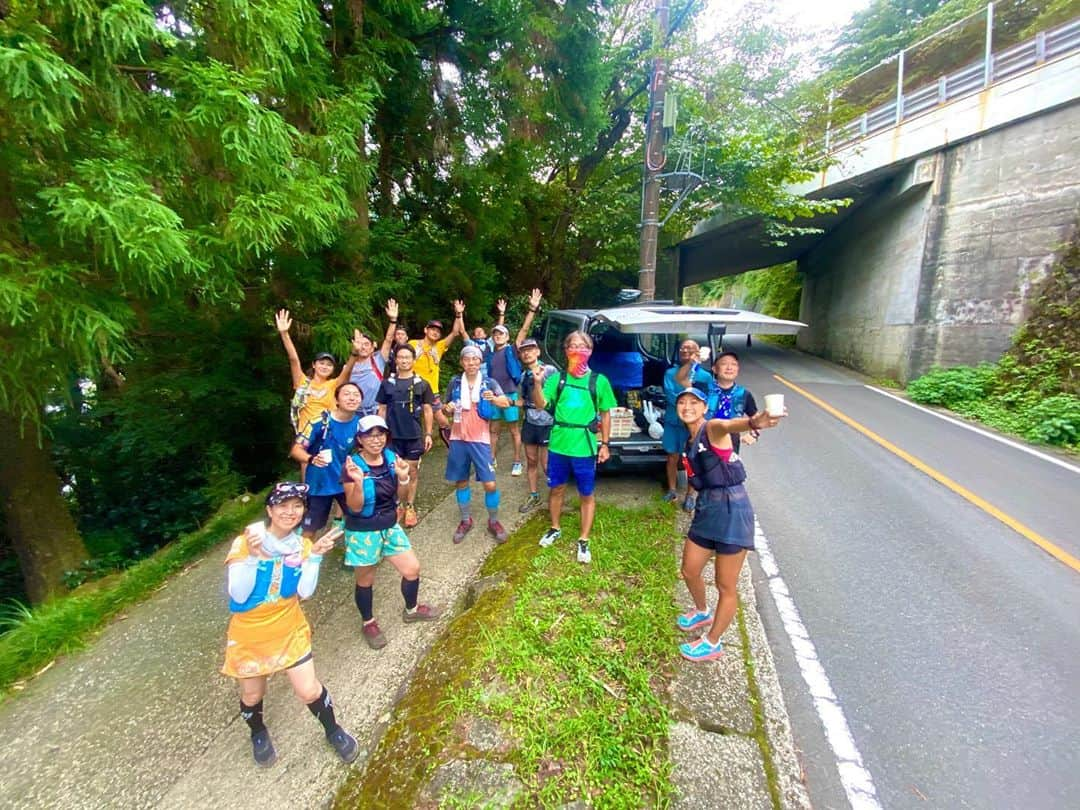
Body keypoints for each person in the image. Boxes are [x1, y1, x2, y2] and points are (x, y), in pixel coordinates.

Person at [222, 482, 358, 767]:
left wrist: (316, 556)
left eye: (297, 506)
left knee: (309, 690)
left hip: (289, 625)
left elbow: (304, 592)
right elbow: (238, 594)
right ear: (270, 510)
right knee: (252, 693)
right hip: (250, 633)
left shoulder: (301, 545)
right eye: (283, 505)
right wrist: (254, 558)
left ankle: (333, 730)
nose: (290, 512)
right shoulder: (247, 542)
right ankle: (258, 731)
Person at [674, 387, 783, 662]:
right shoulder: (688, 441)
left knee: (726, 585)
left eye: (694, 402)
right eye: (682, 402)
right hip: (707, 508)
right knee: (689, 570)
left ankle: (713, 642)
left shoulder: (712, 428)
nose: (687, 406)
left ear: (704, 407)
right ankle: (701, 611)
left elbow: (728, 425)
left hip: (733, 508)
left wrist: (754, 422)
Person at [342, 415, 442, 650]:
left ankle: (412, 609)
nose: (376, 440)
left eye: (380, 434)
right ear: (360, 439)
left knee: (412, 569)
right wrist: (357, 483)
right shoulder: (352, 466)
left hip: (388, 525)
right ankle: (368, 622)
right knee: (365, 579)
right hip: (363, 531)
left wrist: (404, 476)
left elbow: (402, 495)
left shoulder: (391, 458)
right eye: (370, 435)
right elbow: (354, 507)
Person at [530, 331, 616, 564]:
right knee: (556, 488)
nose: (578, 350)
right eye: (573, 345)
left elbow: (606, 414)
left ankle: (584, 539)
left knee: (586, 493)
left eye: (583, 346)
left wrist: (605, 444)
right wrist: (537, 383)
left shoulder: (599, 381)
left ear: (590, 351)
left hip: (585, 446)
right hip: (558, 444)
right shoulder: (556, 378)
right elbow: (540, 404)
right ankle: (555, 527)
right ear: (566, 350)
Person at [442, 345, 511, 544]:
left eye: (475, 360)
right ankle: (465, 520)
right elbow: (447, 408)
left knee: (490, 484)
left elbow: (505, 402)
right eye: (467, 359)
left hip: (480, 439)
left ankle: (494, 521)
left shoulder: (489, 382)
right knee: (461, 481)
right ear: (462, 362)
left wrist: (495, 399)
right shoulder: (455, 383)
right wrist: (447, 408)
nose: (471, 363)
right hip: (458, 438)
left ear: (480, 362)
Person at [481, 289, 543, 477]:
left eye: (501, 334)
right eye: (495, 334)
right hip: (494, 396)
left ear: (507, 337)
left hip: (510, 394)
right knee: (493, 430)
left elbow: (523, 331)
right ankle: (491, 459)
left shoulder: (512, 350)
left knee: (514, 429)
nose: (498, 336)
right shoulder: (490, 353)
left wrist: (532, 309)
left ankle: (517, 461)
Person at [291, 382, 362, 538]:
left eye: (356, 395)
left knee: (360, 519)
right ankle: (303, 558)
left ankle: (361, 555)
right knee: (310, 528)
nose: (352, 398)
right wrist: (311, 459)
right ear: (336, 400)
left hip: (347, 482)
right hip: (319, 484)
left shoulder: (361, 424)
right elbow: (296, 450)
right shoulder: (319, 422)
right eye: (347, 394)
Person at [376, 344, 435, 528]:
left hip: (414, 435)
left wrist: (428, 433)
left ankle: (410, 506)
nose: (404, 360)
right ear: (395, 360)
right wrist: (379, 433)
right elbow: (382, 409)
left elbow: (427, 409)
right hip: (393, 436)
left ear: (413, 359)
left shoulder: (422, 384)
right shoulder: (387, 384)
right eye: (400, 357)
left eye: (407, 357)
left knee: (412, 471)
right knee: (394, 471)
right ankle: (397, 505)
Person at [276, 309, 361, 434]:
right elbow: (294, 359)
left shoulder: (334, 385)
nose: (325, 367)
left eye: (329, 365)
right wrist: (284, 334)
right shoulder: (303, 382)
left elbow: (347, 371)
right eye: (321, 363)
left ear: (333, 369)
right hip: (305, 436)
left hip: (326, 435)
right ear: (314, 365)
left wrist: (354, 353)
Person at [662, 339, 716, 511]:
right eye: (683, 347)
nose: (686, 350)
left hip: (694, 425)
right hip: (673, 421)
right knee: (672, 456)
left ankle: (690, 494)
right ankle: (671, 489)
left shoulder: (705, 376)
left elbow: (708, 398)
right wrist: (689, 401)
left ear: (698, 352)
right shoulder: (671, 373)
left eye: (691, 348)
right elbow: (671, 396)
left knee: (692, 459)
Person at [410, 300, 465, 444]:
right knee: (411, 420)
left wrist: (458, 314)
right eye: (432, 329)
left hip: (431, 391)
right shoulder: (413, 344)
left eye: (438, 331)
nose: (435, 332)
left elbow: (455, 332)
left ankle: (453, 445)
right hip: (412, 389)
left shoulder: (439, 347)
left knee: (442, 420)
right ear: (425, 330)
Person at [516, 337, 557, 513]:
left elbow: (558, 395)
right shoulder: (524, 376)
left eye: (530, 349)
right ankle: (534, 495)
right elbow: (520, 400)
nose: (527, 353)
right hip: (530, 422)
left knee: (547, 464)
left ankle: (556, 495)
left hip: (548, 422)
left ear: (538, 351)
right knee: (531, 460)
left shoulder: (550, 371)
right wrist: (499, 400)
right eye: (523, 351)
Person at [348, 299, 398, 417]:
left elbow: (389, 339)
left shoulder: (378, 360)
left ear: (372, 347)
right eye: (361, 344)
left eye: (367, 344)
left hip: (376, 411)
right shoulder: (349, 365)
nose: (363, 347)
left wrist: (393, 320)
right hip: (353, 412)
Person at [710, 351, 759, 453]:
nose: (729, 368)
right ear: (714, 369)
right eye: (724, 364)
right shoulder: (704, 389)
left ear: (737, 369)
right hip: (705, 440)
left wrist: (754, 434)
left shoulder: (744, 394)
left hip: (731, 444)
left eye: (734, 364)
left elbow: (756, 418)